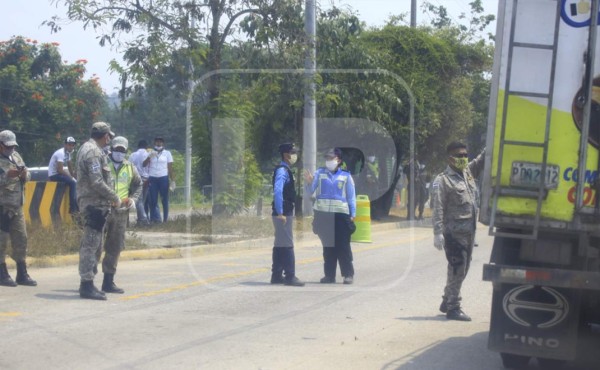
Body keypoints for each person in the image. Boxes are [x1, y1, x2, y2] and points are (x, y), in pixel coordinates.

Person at [431, 141, 485, 321]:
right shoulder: (443, 181)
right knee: (458, 268)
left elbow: (480, 161)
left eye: (465, 155)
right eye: (459, 155)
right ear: (450, 158)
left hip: (469, 232)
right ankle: (453, 307)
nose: (463, 158)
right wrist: (437, 233)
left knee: (464, 267)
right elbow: (437, 207)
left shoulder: (467, 173)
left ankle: (447, 299)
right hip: (453, 233)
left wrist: (490, 145)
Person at [76, 122, 121, 300]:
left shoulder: (88, 148)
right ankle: (86, 284)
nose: (109, 139)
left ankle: (89, 283)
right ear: (105, 136)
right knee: (91, 244)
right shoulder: (93, 151)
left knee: (95, 244)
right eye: (109, 136)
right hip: (93, 204)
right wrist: (114, 197)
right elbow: (96, 181)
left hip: (96, 204)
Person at [304, 148, 357, 284]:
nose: (328, 161)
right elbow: (311, 191)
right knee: (328, 247)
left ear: (338, 160)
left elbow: (351, 197)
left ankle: (348, 274)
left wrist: (353, 214)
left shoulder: (346, 176)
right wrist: (309, 182)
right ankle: (329, 276)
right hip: (323, 216)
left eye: (331, 158)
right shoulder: (319, 173)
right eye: (327, 158)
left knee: (343, 247)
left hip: (341, 216)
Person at [98, 136, 141, 294]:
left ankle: (108, 281)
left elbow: (138, 185)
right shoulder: (103, 163)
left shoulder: (130, 167)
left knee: (115, 247)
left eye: (122, 150)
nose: (119, 152)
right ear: (112, 148)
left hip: (121, 212)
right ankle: (87, 280)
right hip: (103, 210)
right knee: (96, 245)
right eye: (117, 149)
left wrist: (133, 199)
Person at [0, 130, 37, 287]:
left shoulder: (16, 157)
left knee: (21, 239)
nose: (11, 149)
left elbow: (27, 173)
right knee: (1, 242)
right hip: (2, 206)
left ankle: (22, 273)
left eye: (13, 146)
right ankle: (2, 273)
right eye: (8, 146)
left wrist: (23, 175)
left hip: (17, 206)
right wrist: (8, 175)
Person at [270, 143, 304, 287]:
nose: (295, 155)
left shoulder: (286, 169)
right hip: (283, 211)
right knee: (288, 244)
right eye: (293, 152)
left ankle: (277, 275)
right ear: (286, 154)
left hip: (283, 210)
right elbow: (278, 191)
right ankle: (290, 275)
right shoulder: (283, 171)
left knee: (279, 244)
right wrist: (280, 212)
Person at [143, 137, 174, 223]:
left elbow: (170, 168)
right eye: (157, 142)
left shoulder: (167, 153)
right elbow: (144, 164)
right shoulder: (150, 152)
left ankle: (165, 220)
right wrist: (149, 157)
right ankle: (153, 219)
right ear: (154, 143)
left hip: (163, 177)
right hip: (152, 178)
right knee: (153, 200)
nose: (158, 144)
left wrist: (173, 180)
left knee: (164, 199)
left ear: (163, 144)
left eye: (160, 142)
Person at [48, 136, 79, 214]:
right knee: (72, 183)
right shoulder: (61, 153)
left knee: (75, 181)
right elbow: (60, 170)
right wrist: (71, 177)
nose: (71, 146)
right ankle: (73, 208)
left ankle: (76, 205)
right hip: (54, 175)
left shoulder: (68, 153)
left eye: (72, 145)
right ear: (65, 145)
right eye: (69, 144)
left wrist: (74, 176)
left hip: (58, 174)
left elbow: (70, 166)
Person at [128, 140, 150, 226]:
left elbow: (129, 166)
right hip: (146, 179)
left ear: (138, 146)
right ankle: (141, 220)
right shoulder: (148, 154)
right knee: (142, 200)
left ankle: (143, 219)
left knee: (139, 201)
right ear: (146, 146)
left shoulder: (133, 155)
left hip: (135, 179)